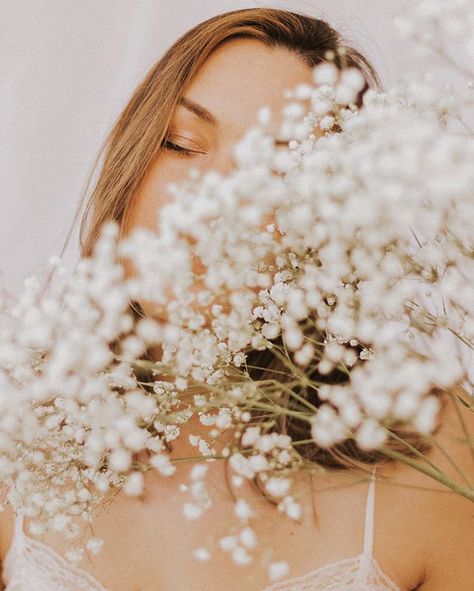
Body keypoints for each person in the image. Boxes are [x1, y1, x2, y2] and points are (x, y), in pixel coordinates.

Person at [0, 7, 472, 591]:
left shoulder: (431, 444)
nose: (215, 200)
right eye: (182, 144)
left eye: (276, 170)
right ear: (135, 158)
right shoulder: (20, 430)